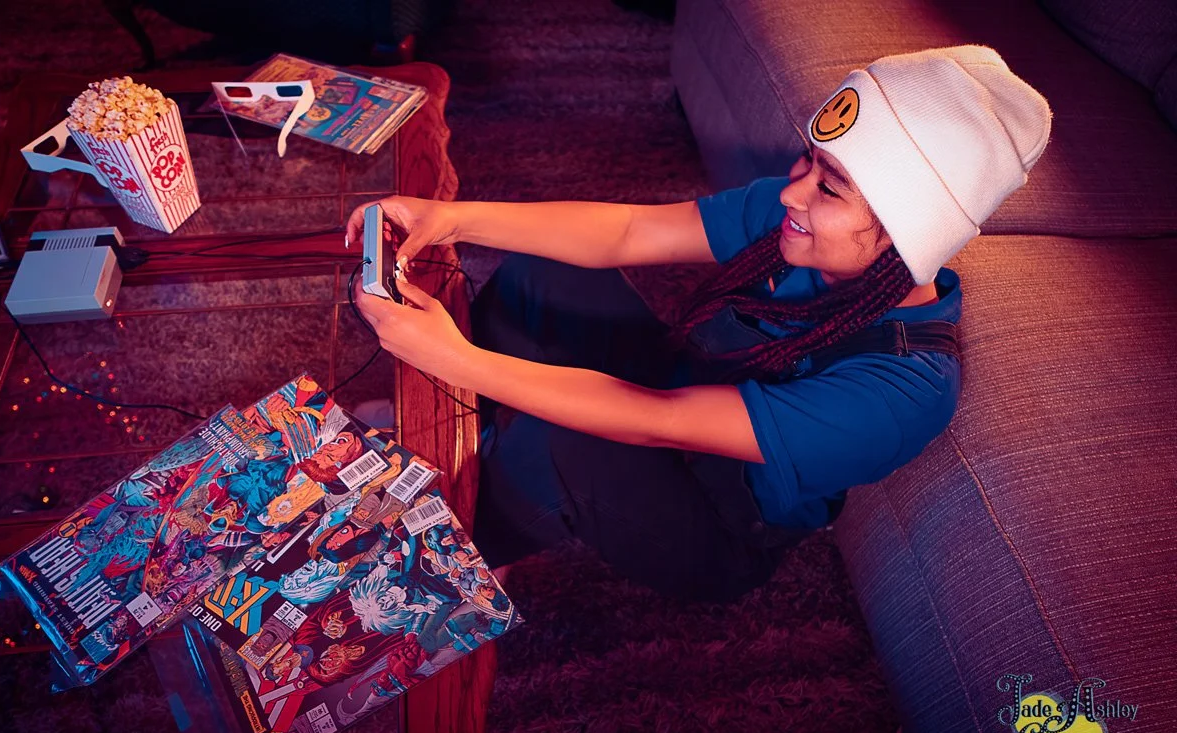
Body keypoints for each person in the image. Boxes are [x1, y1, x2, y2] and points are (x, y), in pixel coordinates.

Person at [346, 45, 1053, 603]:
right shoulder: (797, 222)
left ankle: (466, 545)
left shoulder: (904, 393)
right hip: (679, 392)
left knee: (562, 444)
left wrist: (453, 360)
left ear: (908, 232)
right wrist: (456, 217)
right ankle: (471, 444)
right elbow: (628, 232)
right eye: (809, 161)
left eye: (829, 186)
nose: (792, 191)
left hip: (716, 521)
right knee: (543, 279)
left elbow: (658, 419)